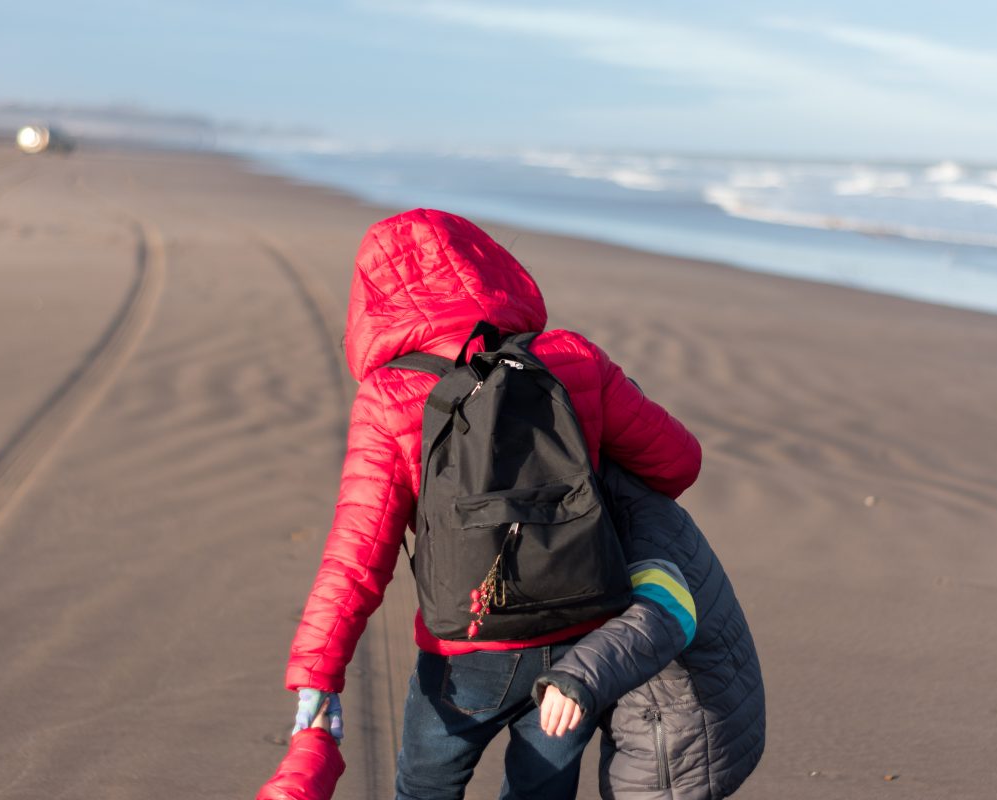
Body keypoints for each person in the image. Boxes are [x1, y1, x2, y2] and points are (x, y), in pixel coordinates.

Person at [285, 208, 702, 799]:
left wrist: (317, 674)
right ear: (491, 265)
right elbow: (678, 460)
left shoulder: (391, 395)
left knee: (425, 787)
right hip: (579, 634)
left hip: (466, 645)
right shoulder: (571, 357)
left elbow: (357, 552)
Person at [532, 461, 766, 799]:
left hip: (677, 739)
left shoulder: (627, 528)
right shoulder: (636, 497)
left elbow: (664, 614)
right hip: (708, 716)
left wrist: (577, 677)